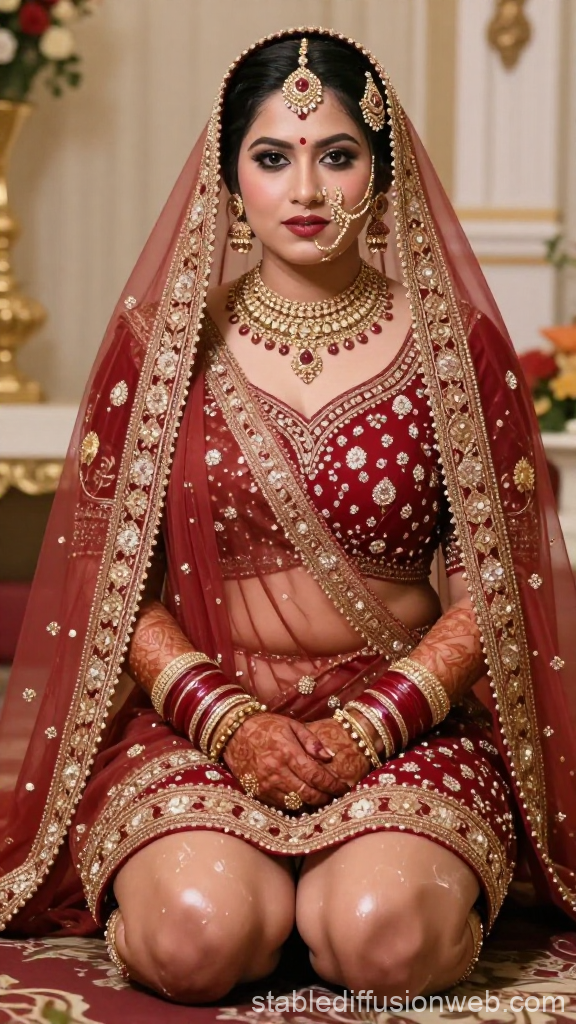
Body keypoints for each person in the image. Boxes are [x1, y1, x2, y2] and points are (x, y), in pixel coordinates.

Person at [1, 27, 576, 1007]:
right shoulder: (165, 350)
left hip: (405, 725)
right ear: (230, 184)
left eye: (337, 154)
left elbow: (497, 588)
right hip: (203, 723)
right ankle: (257, 894)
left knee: (381, 940)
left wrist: (370, 723)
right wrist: (229, 723)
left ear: (382, 176)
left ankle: (341, 890)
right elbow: (114, 588)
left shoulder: (457, 348)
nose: (306, 189)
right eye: (273, 157)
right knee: (194, 938)